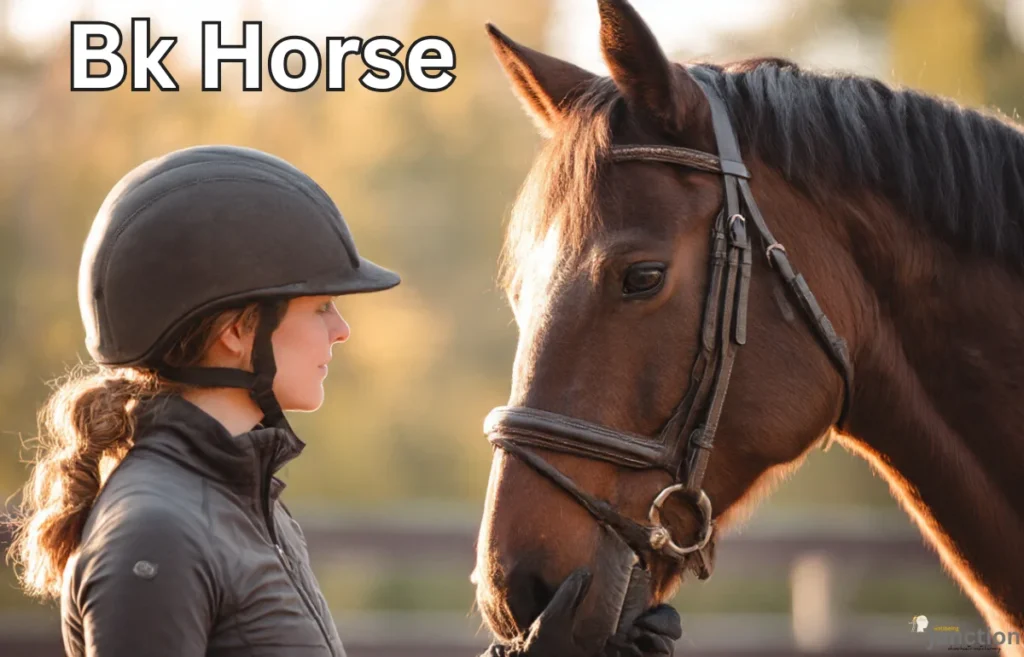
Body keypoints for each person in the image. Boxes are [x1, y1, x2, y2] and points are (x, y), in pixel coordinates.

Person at [5, 144, 680, 656]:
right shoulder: (156, 533)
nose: (341, 327)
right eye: (322, 305)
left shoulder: (244, 503)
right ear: (240, 331)